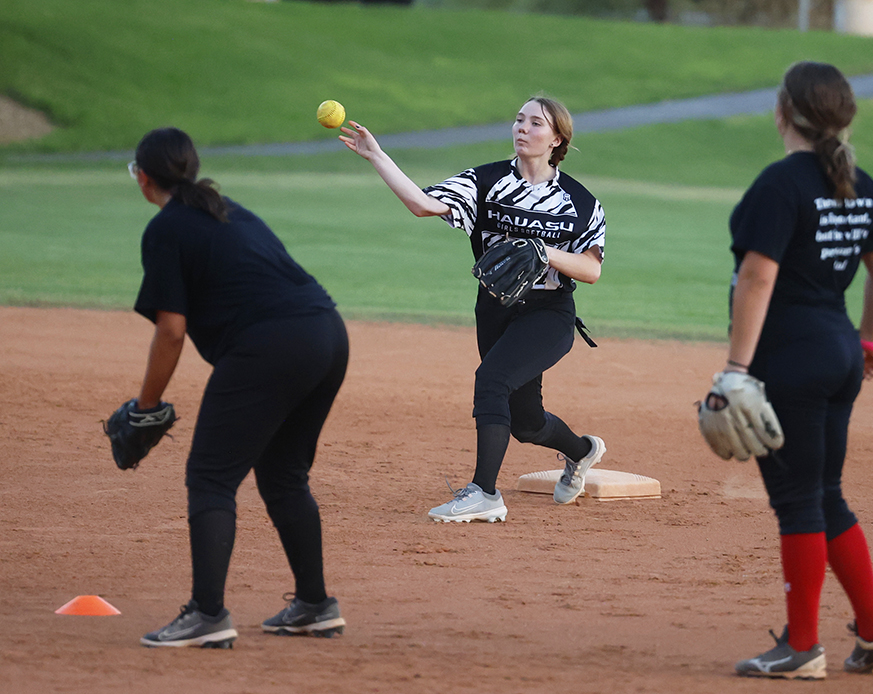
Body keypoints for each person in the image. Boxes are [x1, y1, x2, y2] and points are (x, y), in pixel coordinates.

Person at [711, 62, 873, 679]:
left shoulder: (780, 184)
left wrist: (736, 370)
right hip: (839, 350)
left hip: (789, 356)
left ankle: (801, 649)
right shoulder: (859, 182)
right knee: (825, 495)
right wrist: (869, 343)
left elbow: (758, 276)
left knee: (798, 503)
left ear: (784, 114)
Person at [125, 127, 349, 648]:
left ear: (143, 179)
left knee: (210, 476)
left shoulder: (166, 229)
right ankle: (315, 605)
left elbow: (171, 331)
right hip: (327, 333)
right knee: (283, 475)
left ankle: (207, 614)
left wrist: (147, 406)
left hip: (269, 346)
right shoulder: (229, 209)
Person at [339, 96, 606, 522]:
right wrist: (377, 156)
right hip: (496, 310)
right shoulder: (485, 181)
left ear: (557, 138)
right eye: (519, 120)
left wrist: (544, 252)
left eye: (535, 123)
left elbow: (591, 269)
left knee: (492, 380)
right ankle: (582, 451)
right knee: (527, 422)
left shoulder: (580, 201)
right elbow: (423, 205)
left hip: (549, 312)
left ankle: (484, 492)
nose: (522, 128)